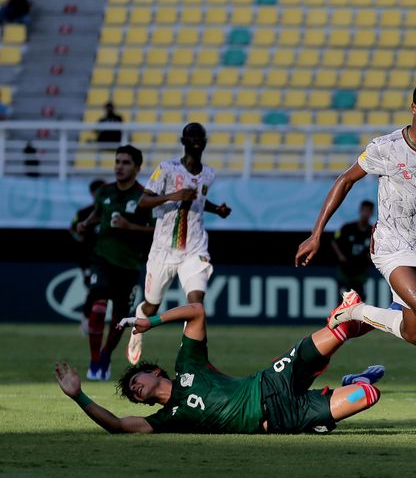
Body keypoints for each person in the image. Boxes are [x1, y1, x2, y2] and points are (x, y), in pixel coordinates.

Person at [296, 82, 416, 430]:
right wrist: (317, 233)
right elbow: (345, 180)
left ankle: (355, 310)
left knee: (415, 333)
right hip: (391, 246)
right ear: (414, 109)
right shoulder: (386, 148)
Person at [54, 302, 383, 434]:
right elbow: (117, 425)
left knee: (339, 328)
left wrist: (150, 322)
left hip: (270, 382)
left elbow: (195, 310)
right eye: (133, 395)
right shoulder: (170, 419)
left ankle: (386, 315)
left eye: (134, 380)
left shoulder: (188, 364)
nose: (134, 390)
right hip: (284, 418)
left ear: (154, 372)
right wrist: (78, 395)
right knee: (369, 394)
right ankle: (352, 383)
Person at [127, 122, 231, 365]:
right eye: (190, 136)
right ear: (183, 141)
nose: (195, 140)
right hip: (163, 249)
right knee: (151, 307)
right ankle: (137, 328)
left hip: (194, 249)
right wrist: (173, 196)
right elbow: (143, 202)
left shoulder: (209, 174)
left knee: (196, 305)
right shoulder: (166, 169)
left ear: (205, 142)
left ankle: (190, 356)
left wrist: (218, 209)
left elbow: (199, 200)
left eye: (199, 136)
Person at [75, 146, 154, 381]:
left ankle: (106, 355)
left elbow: (155, 230)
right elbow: (98, 213)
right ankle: (94, 360)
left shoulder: (144, 197)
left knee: (120, 319)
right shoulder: (104, 191)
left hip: (129, 264)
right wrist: (86, 223)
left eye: (126, 162)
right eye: (117, 161)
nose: (119, 166)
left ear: (137, 168)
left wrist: (130, 227)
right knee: (98, 306)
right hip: (102, 258)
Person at [70, 178, 106, 330]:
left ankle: (93, 320)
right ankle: (87, 319)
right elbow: (72, 229)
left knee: (100, 291)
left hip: (108, 259)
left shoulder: (111, 211)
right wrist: (80, 237)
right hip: (89, 259)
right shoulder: (83, 213)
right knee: (94, 289)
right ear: (92, 194)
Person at [330, 200, 374, 299]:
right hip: (345, 269)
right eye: (364, 210)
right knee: (342, 298)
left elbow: (376, 249)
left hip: (360, 270)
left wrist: (370, 255)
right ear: (360, 211)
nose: (365, 214)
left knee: (359, 299)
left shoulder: (372, 232)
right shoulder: (348, 227)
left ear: (372, 213)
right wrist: (340, 255)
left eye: (368, 211)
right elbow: (334, 241)